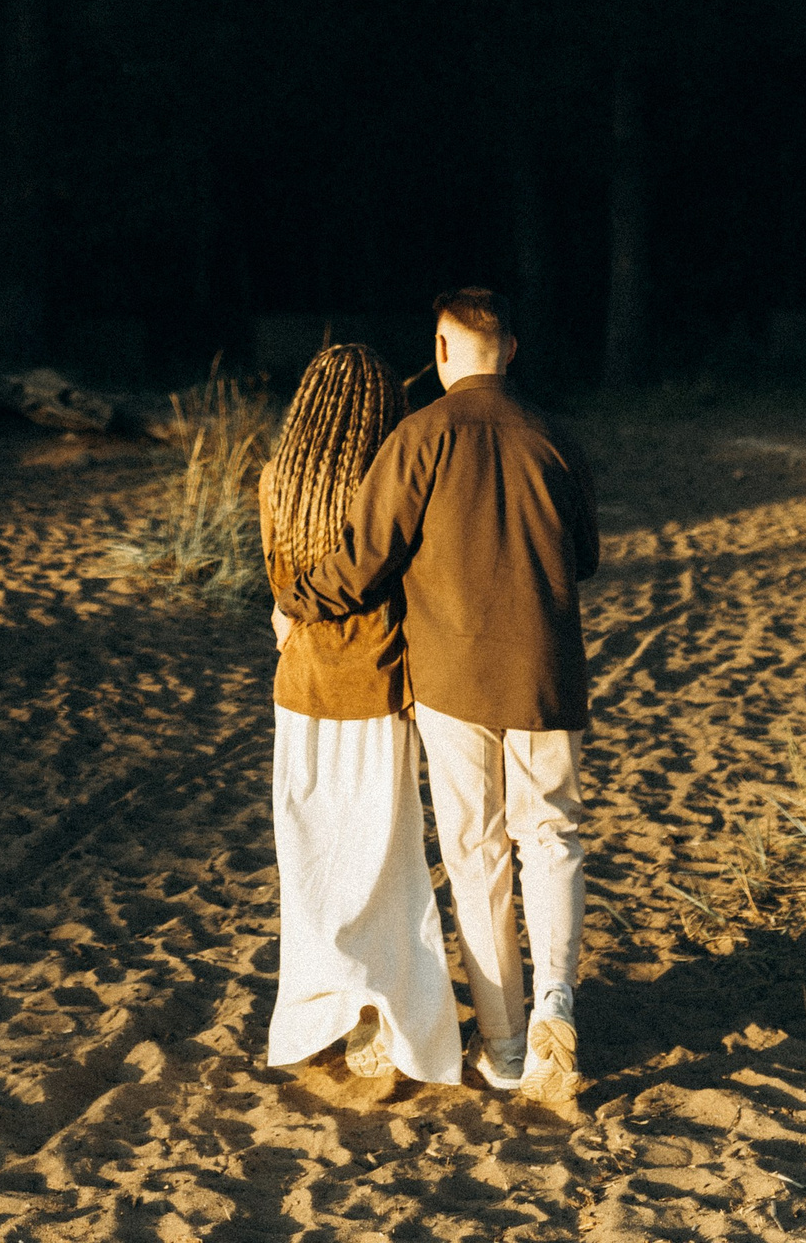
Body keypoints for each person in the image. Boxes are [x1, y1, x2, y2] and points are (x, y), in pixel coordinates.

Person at [274, 289, 598, 1106]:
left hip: (453, 679)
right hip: (546, 675)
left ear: (443, 350)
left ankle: (507, 1044)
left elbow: (362, 562)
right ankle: (558, 1001)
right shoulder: (554, 436)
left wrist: (294, 601)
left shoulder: (418, 436)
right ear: (511, 350)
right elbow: (586, 556)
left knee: (476, 852)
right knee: (552, 836)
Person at [259, 341, 465, 1090]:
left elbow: (280, 589)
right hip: (377, 685)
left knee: (311, 865)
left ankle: (323, 1012)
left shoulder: (275, 480)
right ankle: (383, 1015)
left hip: (301, 689)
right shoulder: (391, 481)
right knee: (385, 864)